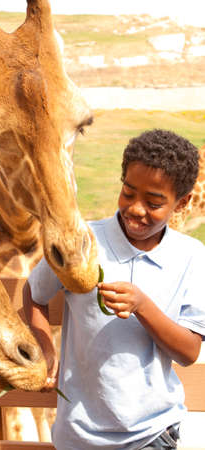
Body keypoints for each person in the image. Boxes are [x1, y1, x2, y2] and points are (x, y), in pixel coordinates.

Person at [23, 129, 205, 449]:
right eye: (128, 192)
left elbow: (188, 352)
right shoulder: (82, 241)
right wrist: (44, 347)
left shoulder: (191, 257)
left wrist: (142, 306)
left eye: (154, 202)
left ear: (183, 202)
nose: (136, 208)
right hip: (77, 436)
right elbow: (34, 294)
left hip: (151, 433)